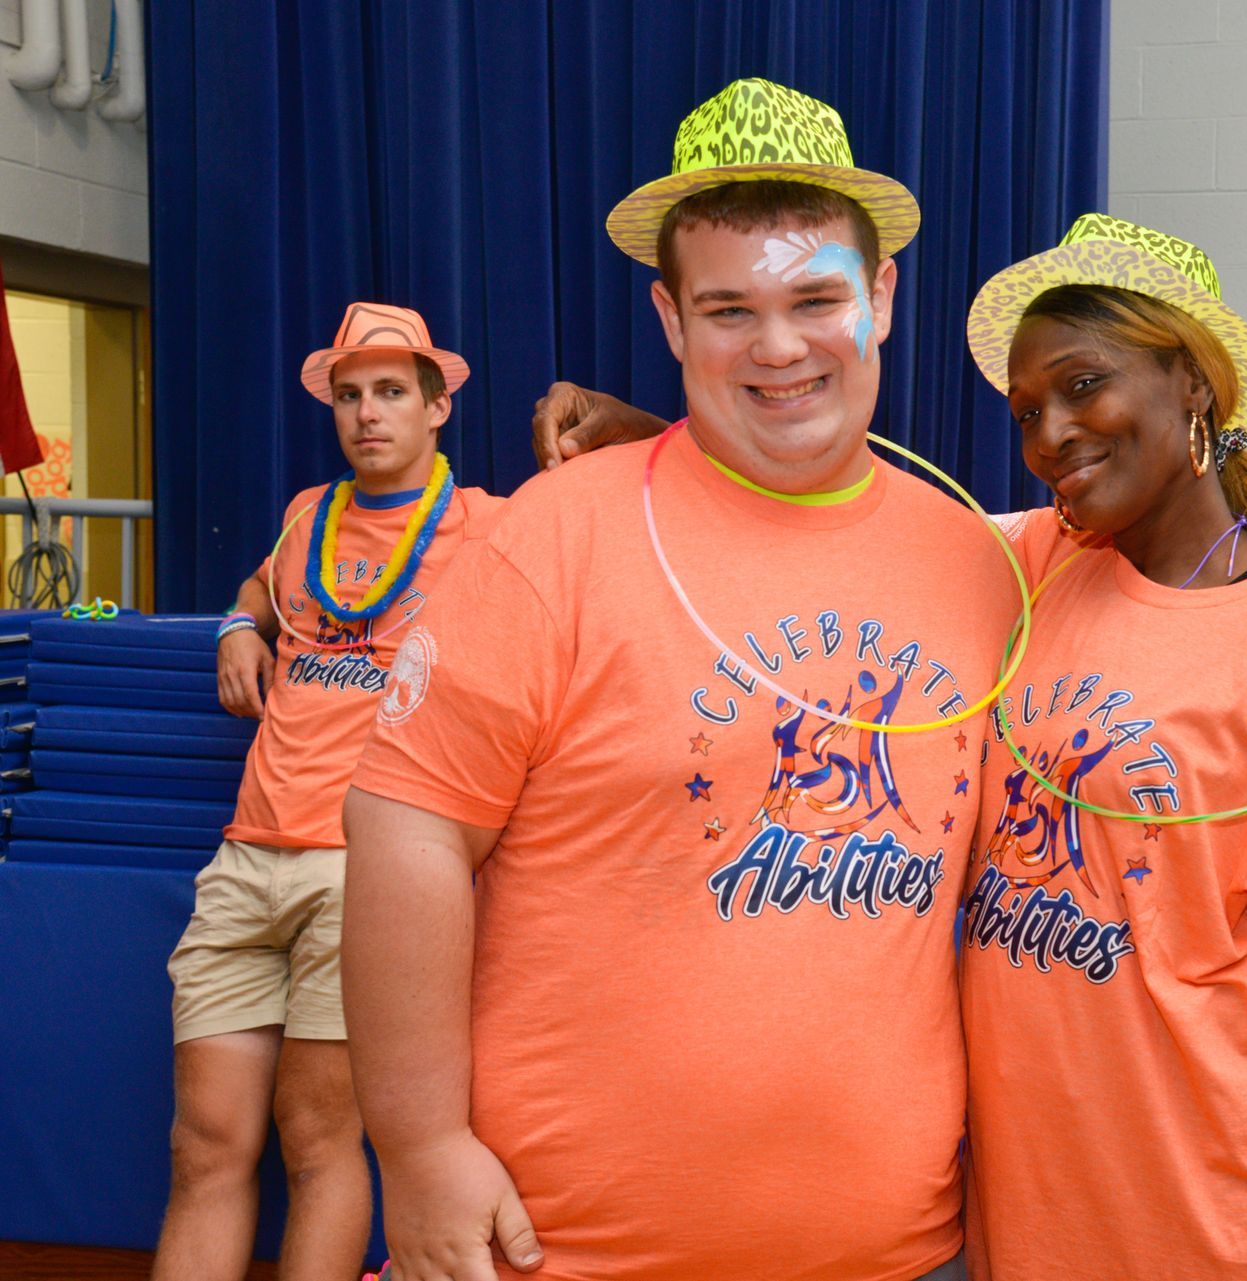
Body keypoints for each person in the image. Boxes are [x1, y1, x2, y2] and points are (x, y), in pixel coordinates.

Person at [539, 213, 1247, 1280]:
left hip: (1216, 1239)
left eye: (1084, 385)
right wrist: (648, 433)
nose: (1052, 432)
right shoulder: (1035, 565)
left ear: (1192, 382)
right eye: (1026, 410)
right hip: (1024, 1240)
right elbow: (854, 514)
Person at [341, 78, 1019, 1281]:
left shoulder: (976, 563)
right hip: (560, 1250)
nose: (777, 346)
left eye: (817, 298)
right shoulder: (552, 539)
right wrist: (422, 1140)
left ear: (883, 300)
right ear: (668, 319)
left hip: (895, 1251)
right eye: (727, 309)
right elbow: (406, 830)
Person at [155, 304, 503, 1281]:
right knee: (203, 1144)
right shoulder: (310, 512)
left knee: (318, 1140)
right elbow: (265, 587)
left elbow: (625, 507)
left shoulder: (484, 524)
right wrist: (235, 622)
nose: (366, 414)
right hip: (247, 857)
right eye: (349, 395)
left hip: (368, 872)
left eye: (392, 392)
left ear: (438, 408)